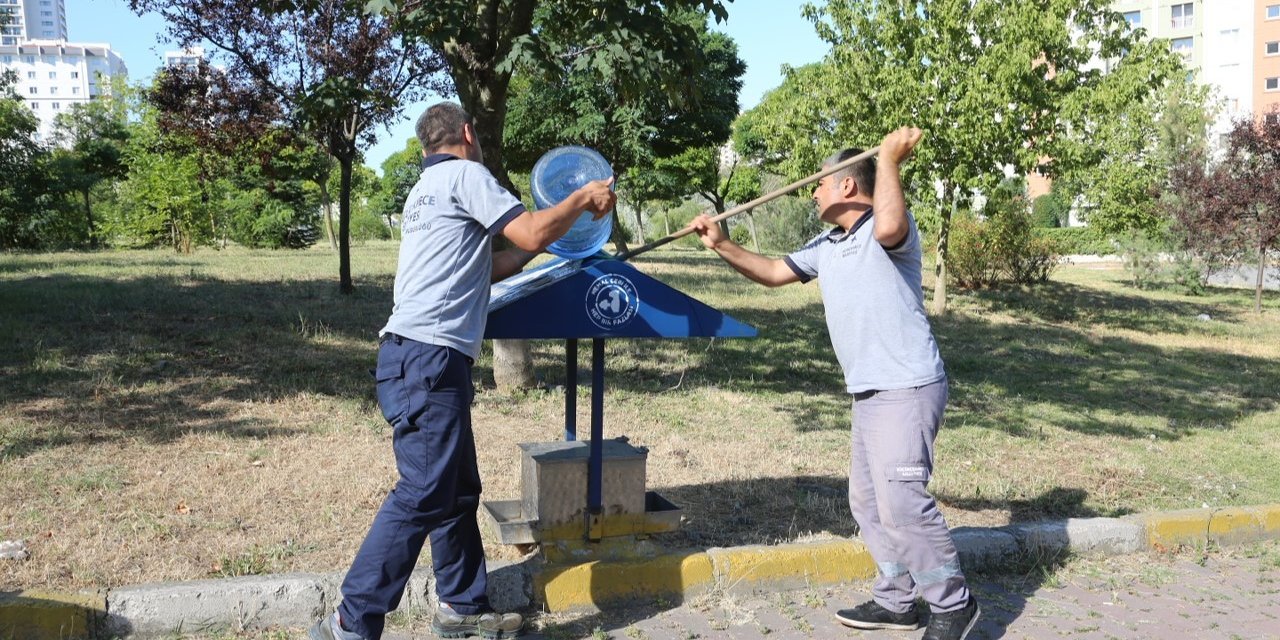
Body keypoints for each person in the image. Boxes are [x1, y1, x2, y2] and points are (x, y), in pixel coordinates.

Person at [309, 102, 616, 640]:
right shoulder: (468, 175)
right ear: (468, 134)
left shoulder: (424, 189)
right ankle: (351, 621)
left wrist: (548, 256)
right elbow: (531, 233)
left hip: (421, 358)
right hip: (428, 358)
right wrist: (582, 198)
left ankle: (463, 610)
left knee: (454, 491)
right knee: (424, 491)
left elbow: (491, 264)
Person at [688, 127, 980, 640]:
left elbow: (889, 221)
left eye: (821, 183)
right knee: (868, 502)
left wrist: (888, 159)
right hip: (869, 391)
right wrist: (722, 245)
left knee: (902, 499)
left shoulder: (888, 230)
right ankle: (896, 600)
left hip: (906, 386)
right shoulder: (830, 243)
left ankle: (953, 604)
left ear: (848, 187)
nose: (813, 191)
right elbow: (776, 271)